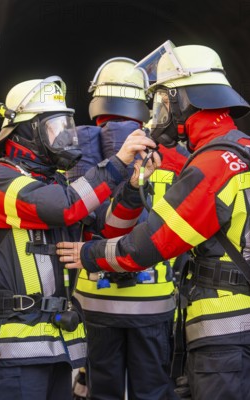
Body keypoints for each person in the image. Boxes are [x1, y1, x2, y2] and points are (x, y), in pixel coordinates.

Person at [58, 43, 250, 400]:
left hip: (225, 335)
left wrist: (88, 253)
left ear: (182, 100)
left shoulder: (212, 163)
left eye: (163, 100)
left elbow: (150, 244)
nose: (160, 111)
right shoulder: (248, 148)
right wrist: (133, 189)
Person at [0, 76, 158, 400]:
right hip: (12, 351)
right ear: (28, 131)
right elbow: (66, 208)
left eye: (67, 126)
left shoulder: (53, 184)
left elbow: (105, 232)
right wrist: (118, 163)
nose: (66, 136)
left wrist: (133, 190)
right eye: (55, 127)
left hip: (55, 347)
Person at [70, 57, 187, 400]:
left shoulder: (74, 154)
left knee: (101, 391)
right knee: (151, 391)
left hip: (94, 301)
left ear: (96, 101)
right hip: (151, 303)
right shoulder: (171, 155)